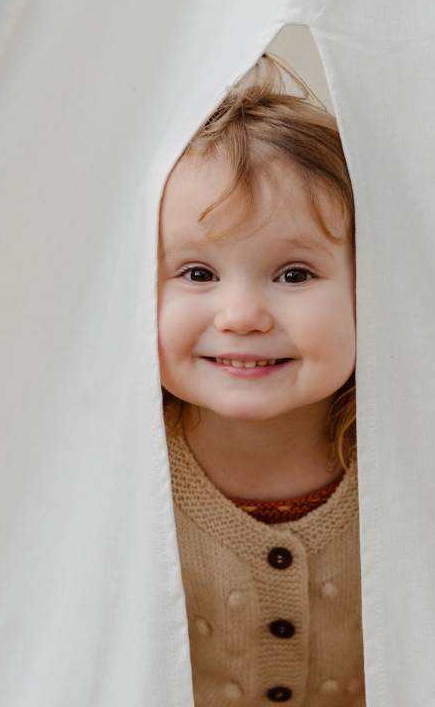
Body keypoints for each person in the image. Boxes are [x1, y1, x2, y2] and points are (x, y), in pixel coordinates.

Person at [157, 52, 363, 705]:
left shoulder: (419, 461)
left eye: (294, 274)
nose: (242, 316)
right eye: (197, 274)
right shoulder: (118, 470)